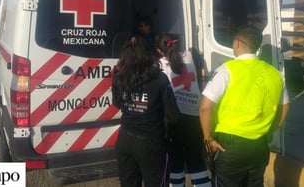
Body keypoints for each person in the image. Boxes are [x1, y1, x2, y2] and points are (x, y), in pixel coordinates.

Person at [199, 25, 290, 187]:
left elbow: (205, 107)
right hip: (260, 146)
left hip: (229, 148)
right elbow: (285, 107)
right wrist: (271, 129)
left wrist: (208, 139)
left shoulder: (227, 70)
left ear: (237, 43)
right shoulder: (275, 73)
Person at [112, 35, 180, 187]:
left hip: (125, 139)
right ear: (147, 54)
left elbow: (117, 102)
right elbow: (173, 115)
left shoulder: (118, 76)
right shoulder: (158, 78)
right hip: (151, 142)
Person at [155, 33, 211, 187]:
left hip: (175, 119)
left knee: (175, 161)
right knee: (196, 160)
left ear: (159, 51)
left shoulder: (159, 65)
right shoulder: (190, 56)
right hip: (194, 116)